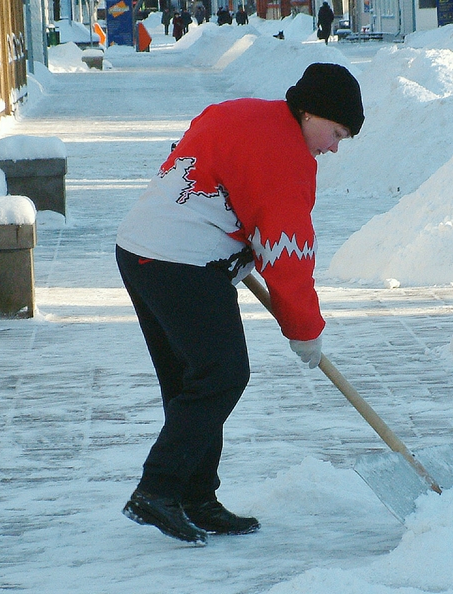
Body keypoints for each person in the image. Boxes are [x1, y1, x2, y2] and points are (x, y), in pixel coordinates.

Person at [115, 63, 365, 545]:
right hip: (180, 262)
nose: (334, 146)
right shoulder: (286, 156)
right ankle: (158, 489)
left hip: (138, 250)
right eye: (336, 132)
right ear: (310, 111)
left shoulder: (241, 113)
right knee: (223, 373)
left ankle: (195, 496)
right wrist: (305, 331)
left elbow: (197, 154)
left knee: (191, 381)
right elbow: (289, 257)